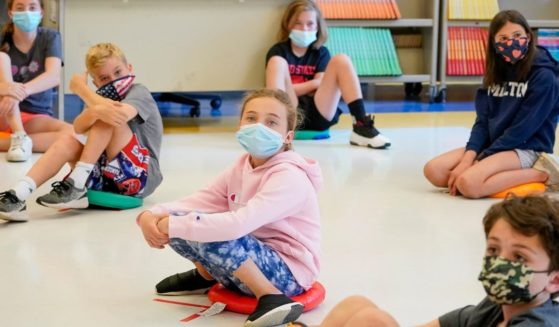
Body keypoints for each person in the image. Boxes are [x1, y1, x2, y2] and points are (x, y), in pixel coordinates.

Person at [138, 89, 322, 327]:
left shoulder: (289, 177)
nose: (259, 127)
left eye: (271, 122)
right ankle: (206, 275)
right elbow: (201, 200)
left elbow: (239, 224)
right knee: (183, 218)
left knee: (213, 228)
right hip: (251, 260)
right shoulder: (242, 165)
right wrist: (152, 215)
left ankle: (271, 296)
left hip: (288, 274)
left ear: (288, 136)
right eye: (251, 118)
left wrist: (173, 225)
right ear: (240, 124)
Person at [291, 195, 559, 327]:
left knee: (370, 320)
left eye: (519, 257)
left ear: (554, 278)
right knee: (357, 305)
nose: (500, 263)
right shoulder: (495, 307)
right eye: (493, 251)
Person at [0, 42, 163, 221]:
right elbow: (78, 128)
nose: (113, 80)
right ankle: (19, 194)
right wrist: (93, 109)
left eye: (118, 72)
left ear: (129, 68)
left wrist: (81, 90)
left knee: (106, 114)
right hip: (105, 173)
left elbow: (118, 115)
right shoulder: (99, 100)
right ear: (96, 82)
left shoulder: (139, 91)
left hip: (141, 175)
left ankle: (76, 184)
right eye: (104, 78)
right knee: (69, 139)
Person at [424, 10, 559, 199]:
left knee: (469, 184)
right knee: (434, 171)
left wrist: (481, 159)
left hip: (527, 147)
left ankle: (544, 175)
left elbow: (523, 129)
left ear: (528, 36)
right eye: (503, 38)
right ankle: (491, 171)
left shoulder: (544, 76)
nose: (511, 42)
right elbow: (483, 121)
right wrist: (469, 157)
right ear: (494, 44)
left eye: (517, 36)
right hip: (494, 143)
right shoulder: (496, 71)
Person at [265, 0, 391, 149]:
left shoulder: (321, 53)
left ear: (317, 26)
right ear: (288, 24)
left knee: (341, 60)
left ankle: (361, 126)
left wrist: (293, 86)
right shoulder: (279, 51)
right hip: (289, 114)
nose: (304, 28)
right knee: (277, 62)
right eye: (298, 23)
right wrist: (314, 84)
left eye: (310, 24)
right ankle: (273, 129)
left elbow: (319, 85)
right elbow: (277, 91)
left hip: (320, 111)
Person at [0, 0, 72, 162]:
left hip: (35, 114)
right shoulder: (2, 38)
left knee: (74, 134)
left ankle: (16, 141)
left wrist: (17, 92)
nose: (26, 11)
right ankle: (19, 135)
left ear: (41, 13)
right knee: (1, 58)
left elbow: (53, 77)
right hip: (3, 111)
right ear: (10, 13)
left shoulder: (50, 37)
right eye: (20, 7)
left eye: (32, 7)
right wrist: (5, 89)